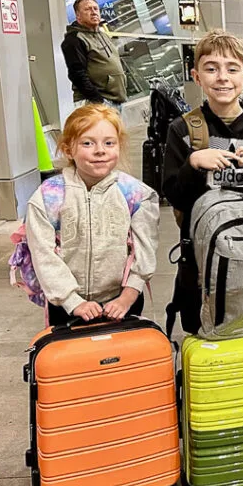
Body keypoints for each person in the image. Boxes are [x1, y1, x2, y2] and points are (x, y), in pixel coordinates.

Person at [163, 29, 243, 333]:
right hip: (200, 260)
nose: (222, 77)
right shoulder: (182, 130)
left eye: (232, 69)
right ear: (197, 77)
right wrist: (193, 164)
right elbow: (174, 194)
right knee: (202, 328)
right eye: (211, 69)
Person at [25, 104, 159, 327]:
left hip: (122, 302)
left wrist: (128, 295)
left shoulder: (135, 195)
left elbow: (145, 249)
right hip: (65, 307)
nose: (100, 150)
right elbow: (43, 254)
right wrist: (71, 300)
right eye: (88, 143)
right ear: (69, 150)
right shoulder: (49, 197)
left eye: (109, 143)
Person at [60, 0, 127, 105]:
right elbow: (77, 74)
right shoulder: (74, 39)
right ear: (78, 16)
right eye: (87, 9)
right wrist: (98, 100)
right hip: (95, 103)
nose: (93, 12)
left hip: (115, 100)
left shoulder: (103, 35)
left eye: (95, 8)